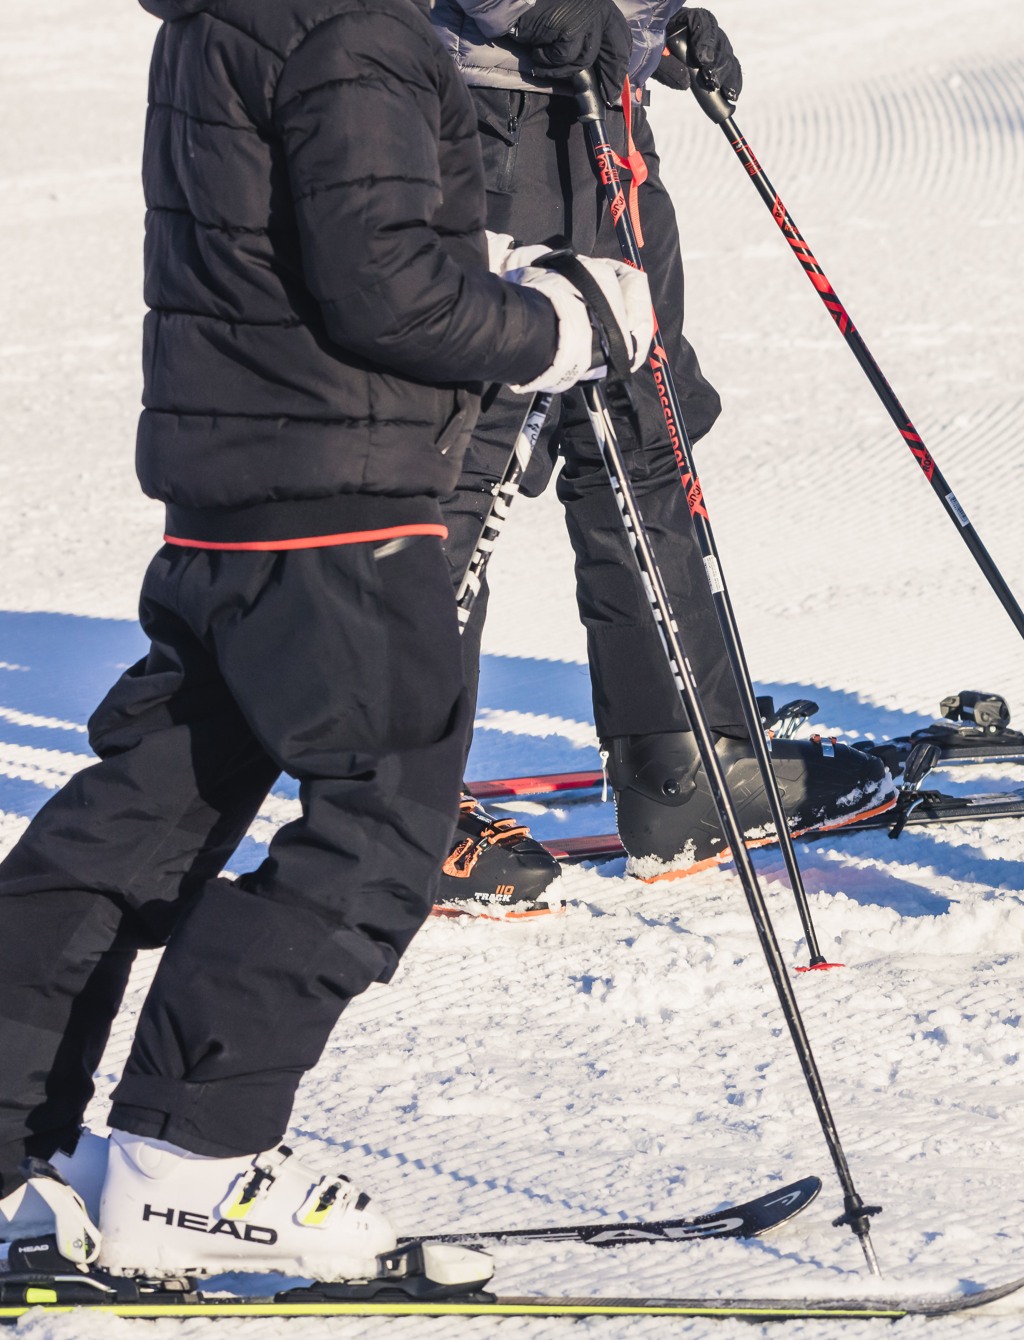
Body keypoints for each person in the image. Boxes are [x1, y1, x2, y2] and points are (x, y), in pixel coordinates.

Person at [0, 0, 648, 1280]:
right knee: (380, 831)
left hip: (232, 498)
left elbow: (304, 248)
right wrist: (559, 328)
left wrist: (500, 277)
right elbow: (387, 293)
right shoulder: (353, 28)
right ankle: (186, 1163)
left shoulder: (221, 18)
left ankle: (20, 1142)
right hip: (344, 504)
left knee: (144, 815)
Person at [425, 0, 896, 908]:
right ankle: (402, 804)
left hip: (604, 113)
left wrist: (654, 22)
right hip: (490, 124)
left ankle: (680, 765)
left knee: (641, 428)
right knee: (466, 453)